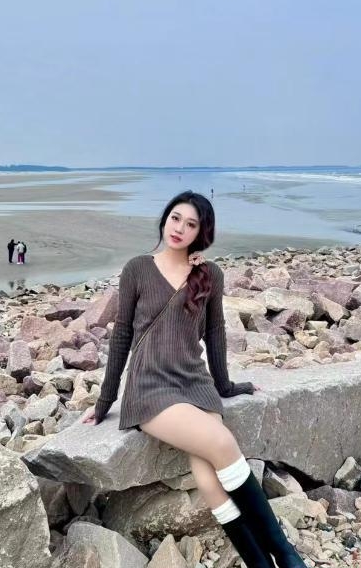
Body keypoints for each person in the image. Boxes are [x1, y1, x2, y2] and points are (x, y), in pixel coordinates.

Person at [82, 191, 307, 567]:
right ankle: (287, 556)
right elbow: (121, 335)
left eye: (191, 224)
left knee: (208, 480)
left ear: (201, 232)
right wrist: (105, 402)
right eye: (175, 218)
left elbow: (215, 332)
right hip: (150, 386)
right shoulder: (137, 269)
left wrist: (226, 386)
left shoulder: (210, 274)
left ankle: (261, 563)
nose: (179, 228)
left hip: (195, 382)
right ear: (164, 219)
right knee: (221, 442)